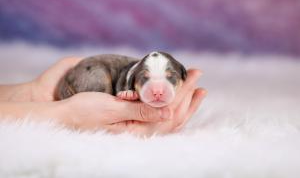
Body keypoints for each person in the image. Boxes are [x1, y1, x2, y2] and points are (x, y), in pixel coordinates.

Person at [0, 57, 206, 136]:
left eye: (170, 79)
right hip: (93, 73)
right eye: (146, 79)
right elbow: (122, 87)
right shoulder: (126, 79)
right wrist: (66, 113)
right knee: (98, 80)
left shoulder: (142, 75)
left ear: (182, 76)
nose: (158, 90)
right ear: (133, 78)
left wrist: (35, 92)